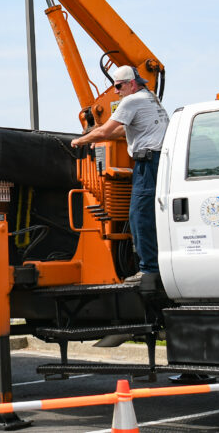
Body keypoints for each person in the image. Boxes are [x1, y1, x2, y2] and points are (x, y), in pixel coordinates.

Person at [70, 65, 169, 281]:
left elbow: (106, 130)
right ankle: (156, 266)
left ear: (131, 84)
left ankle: (149, 270)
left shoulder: (132, 100)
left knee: (139, 216)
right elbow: (123, 129)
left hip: (147, 163)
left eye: (118, 86)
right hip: (159, 161)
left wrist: (81, 140)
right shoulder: (150, 98)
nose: (115, 91)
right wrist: (100, 137)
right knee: (151, 216)